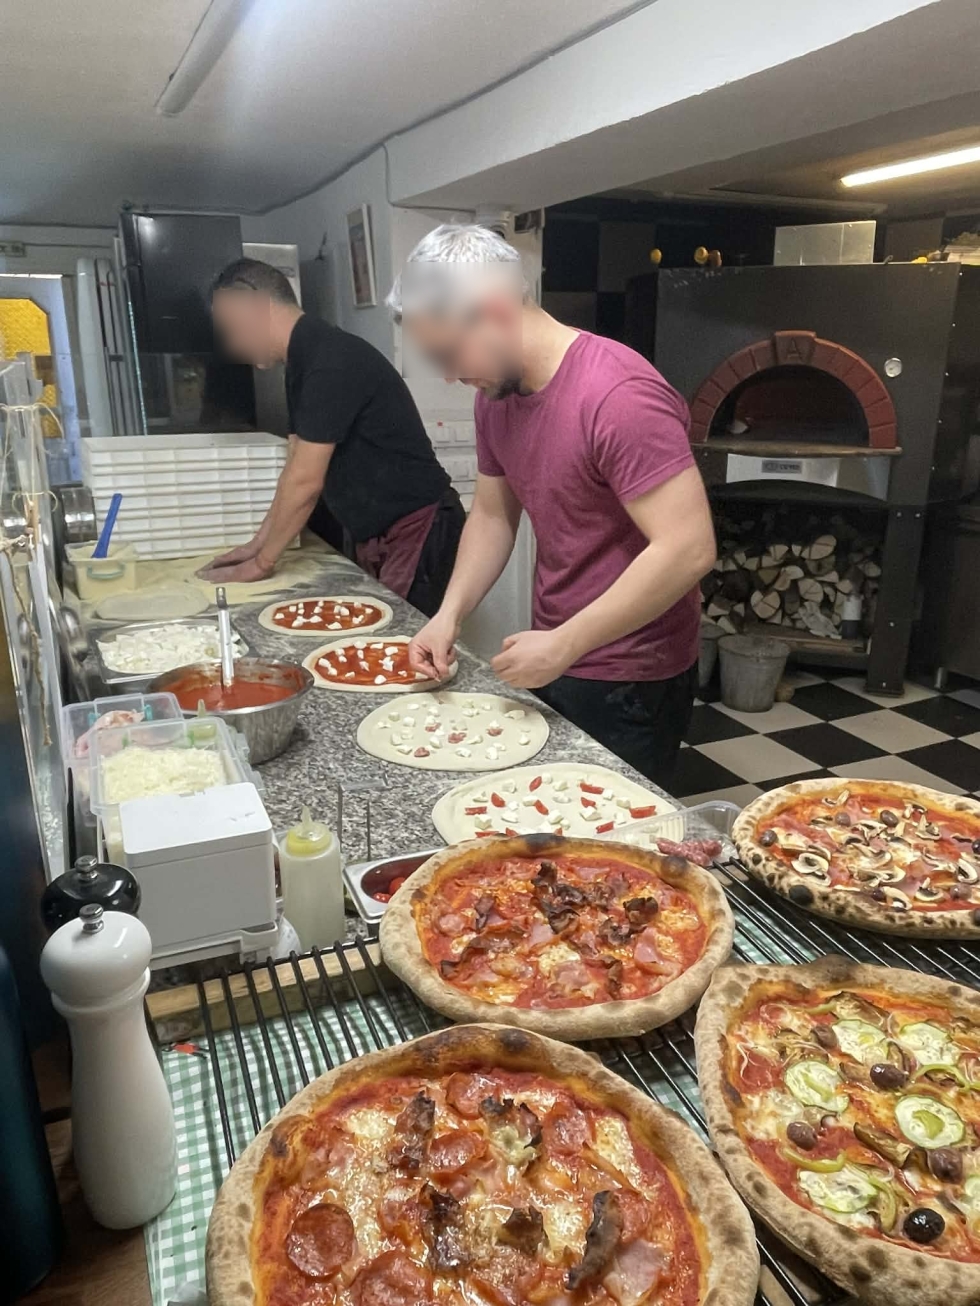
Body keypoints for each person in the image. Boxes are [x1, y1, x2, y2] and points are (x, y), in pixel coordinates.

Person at [387, 225, 716, 786]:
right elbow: (493, 515)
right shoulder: (496, 397)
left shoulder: (617, 395)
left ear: (495, 312)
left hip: (632, 672)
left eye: (449, 352)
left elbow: (688, 549)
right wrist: (448, 616)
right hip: (556, 648)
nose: (450, 374)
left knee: (613, 833)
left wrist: (567, 642)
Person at [200, 258, 465, 617]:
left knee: (399, 640)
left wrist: (261, 564)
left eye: (231, 329)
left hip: (419, 527)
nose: (232, 344)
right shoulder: (301, 361)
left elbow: (306, 482)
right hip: (377, 531)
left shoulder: (330, 359)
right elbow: (294, 467)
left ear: (258, 307)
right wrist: (257, 545)